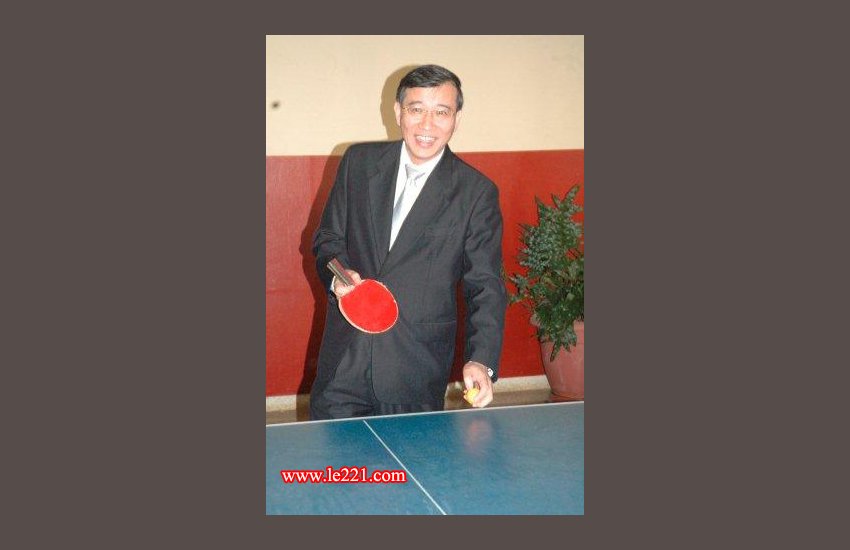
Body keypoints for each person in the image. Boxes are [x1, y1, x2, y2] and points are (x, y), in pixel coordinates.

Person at [310, 64, 507, 420]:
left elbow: (485, 285)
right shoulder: (358, 163)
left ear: (456, 119)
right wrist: (339, 277)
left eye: (441, 112)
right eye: (417, 109)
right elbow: (328, 239)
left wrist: (481, 360)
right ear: (398, 111)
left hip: (415, 371)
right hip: (343, 364)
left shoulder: (476, 193)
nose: (427, 125)